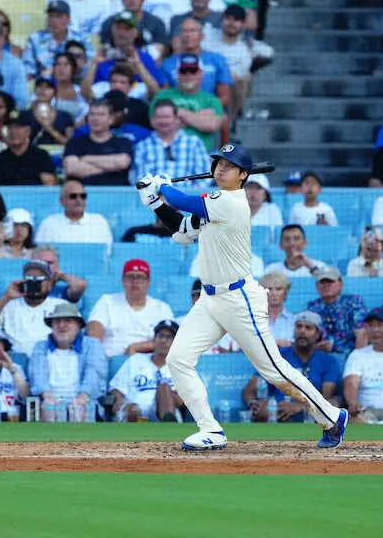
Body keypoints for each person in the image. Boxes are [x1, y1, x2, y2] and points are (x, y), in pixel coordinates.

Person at [137, 143, 349, 450]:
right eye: (219, 162)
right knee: (178, 359)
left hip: (239, 299)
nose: (221, 167)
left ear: (243, 175)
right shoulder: (213, 204)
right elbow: (182, 225)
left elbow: (184, 201)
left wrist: (164, 188)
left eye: (229, 164)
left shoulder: (232, 201)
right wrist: (156, 202)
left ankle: (331, 416)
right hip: (209, 299)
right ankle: (210, 430)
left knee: (274, 370)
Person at [28, 302, 107, 422]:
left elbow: (94, 372)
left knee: (78, 407)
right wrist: (47, 395)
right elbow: (37, 374)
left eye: (68, 321)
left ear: (78, 326)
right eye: (57, 321)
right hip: (50, 398)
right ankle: (49, 441)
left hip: (82, 398)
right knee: (49, 406)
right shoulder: (41, 347)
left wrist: (82, 396)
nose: (61, 325)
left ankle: (78, 441)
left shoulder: (92, 345)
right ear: (51, 326)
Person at [0, 259, 70, 356]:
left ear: (49, 283)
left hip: (49, 359)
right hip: (15, 360)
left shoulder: (61, 305)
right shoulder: (8, 304)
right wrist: (6, 297)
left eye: (39, 279)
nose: (34, 282)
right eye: (29, 278)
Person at [109, 318, 183, 422]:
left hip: (164, 411)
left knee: (164, 387)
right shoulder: (135, 360)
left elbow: (184, 401)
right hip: (135, 412)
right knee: (133, 410)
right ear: (154, 340)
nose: (163, 340)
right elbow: (117, 389)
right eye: (160, 336)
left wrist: (172, 396)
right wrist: (119, 403)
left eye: (169, 337)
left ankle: (168, 426)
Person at [34, 179, 114, 245]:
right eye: (73, 196)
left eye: (83, 196)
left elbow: (106, 252)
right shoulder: (49, 224)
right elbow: (40, 253)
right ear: (62, 201)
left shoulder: (99, 222)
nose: (79, 200)